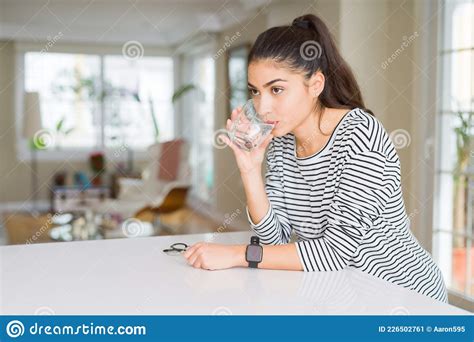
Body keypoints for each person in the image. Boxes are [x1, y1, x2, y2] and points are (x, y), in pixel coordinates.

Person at [183, 13, 448, 303]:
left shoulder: (361, 137)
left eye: (277, 89)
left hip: (403, 295)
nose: (262, 107)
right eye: (255, 92)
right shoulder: (283, 142)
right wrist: (250, 169)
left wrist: (236, 254)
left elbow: (335, 251)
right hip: (342, 292)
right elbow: (276, 238)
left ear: (316, 85)